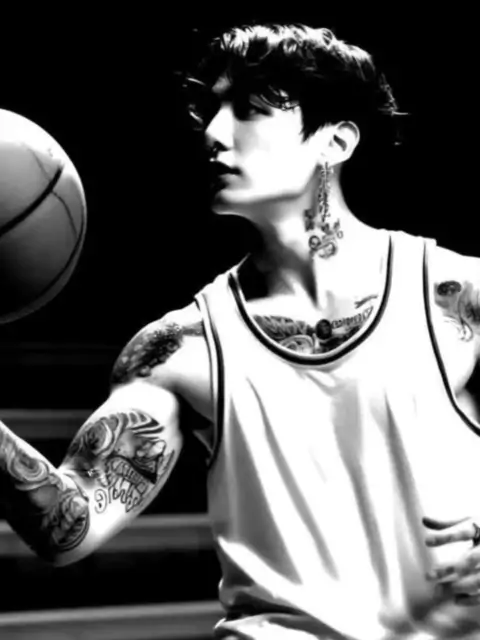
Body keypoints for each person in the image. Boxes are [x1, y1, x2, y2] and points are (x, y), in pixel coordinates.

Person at [2, 22, 480, 640]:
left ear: (335, 141)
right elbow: (67, 526)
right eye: (211, 110)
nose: (213, 132)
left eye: (251, 110)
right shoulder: (181, 347)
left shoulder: (456, 295)